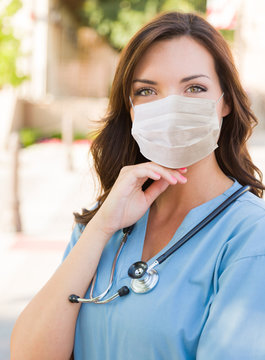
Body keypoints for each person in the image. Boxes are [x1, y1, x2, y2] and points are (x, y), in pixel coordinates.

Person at [11, 11, 265, 360]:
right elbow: (30, 353)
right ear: (131, 110)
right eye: (147, 91)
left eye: (194, 88)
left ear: (224, 102)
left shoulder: (251, 236)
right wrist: (100, 228)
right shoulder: (107, 221)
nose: (171, 106)